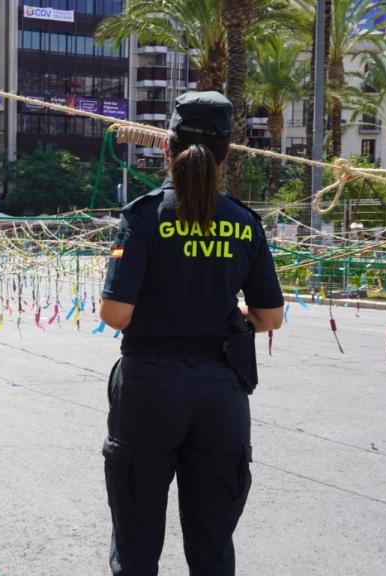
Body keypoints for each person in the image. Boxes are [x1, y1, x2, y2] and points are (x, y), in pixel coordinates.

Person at [99, 92, 285, 576]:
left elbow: (116, 313)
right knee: (212, 547)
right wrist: (230, 307)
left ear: (168, 146)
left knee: (137, 544)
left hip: (149, 391)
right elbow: (270, 317)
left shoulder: (142, 217)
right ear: (226, 153)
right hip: (221, 393)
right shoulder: (245, 223)